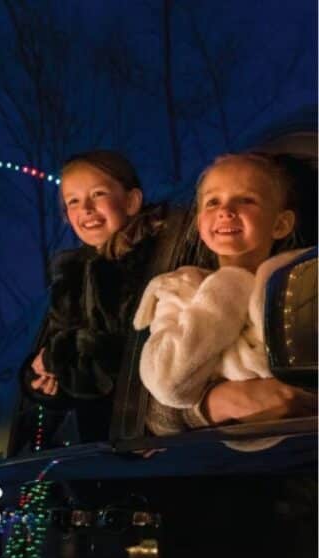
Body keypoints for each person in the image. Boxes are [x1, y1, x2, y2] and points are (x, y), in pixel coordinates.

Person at [134, 152, 316, 436]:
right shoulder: (178, 291)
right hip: (220, 461)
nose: (226, 211)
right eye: (213, 201)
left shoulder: (302, 280)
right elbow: (168, 382)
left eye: (246, 200)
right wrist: (231, 285)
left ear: (281, 224)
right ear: (199, 223)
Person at [21, 150, 165, 441]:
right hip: (100, 449)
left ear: (131, 201)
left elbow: (133, 356)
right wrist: (42, 381)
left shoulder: (158, 263)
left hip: (155, 443)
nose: (85, 208)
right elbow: (54, 352)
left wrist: (60, 359)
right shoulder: (70, 282)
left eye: (98, 194)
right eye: (72, 201)